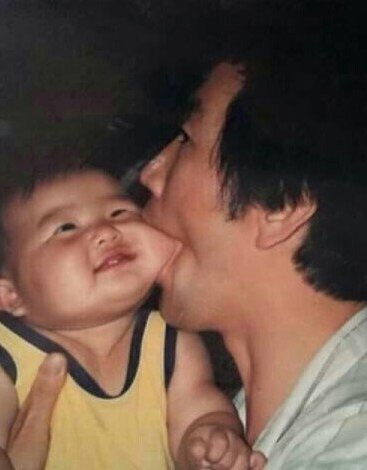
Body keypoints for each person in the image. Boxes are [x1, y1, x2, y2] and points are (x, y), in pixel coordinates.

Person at [0, 153, 265, 470]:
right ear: (11, 296)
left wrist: (209, 441)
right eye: (66, 227)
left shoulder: (169, 342)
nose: (106, 231)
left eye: (119, 212)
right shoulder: (3, 349)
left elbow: (199, 410)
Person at [139, 47, 367, 469]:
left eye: (187, 140)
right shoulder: (225, 426)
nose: (150, 173)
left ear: (280, 207)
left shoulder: (353, 443)